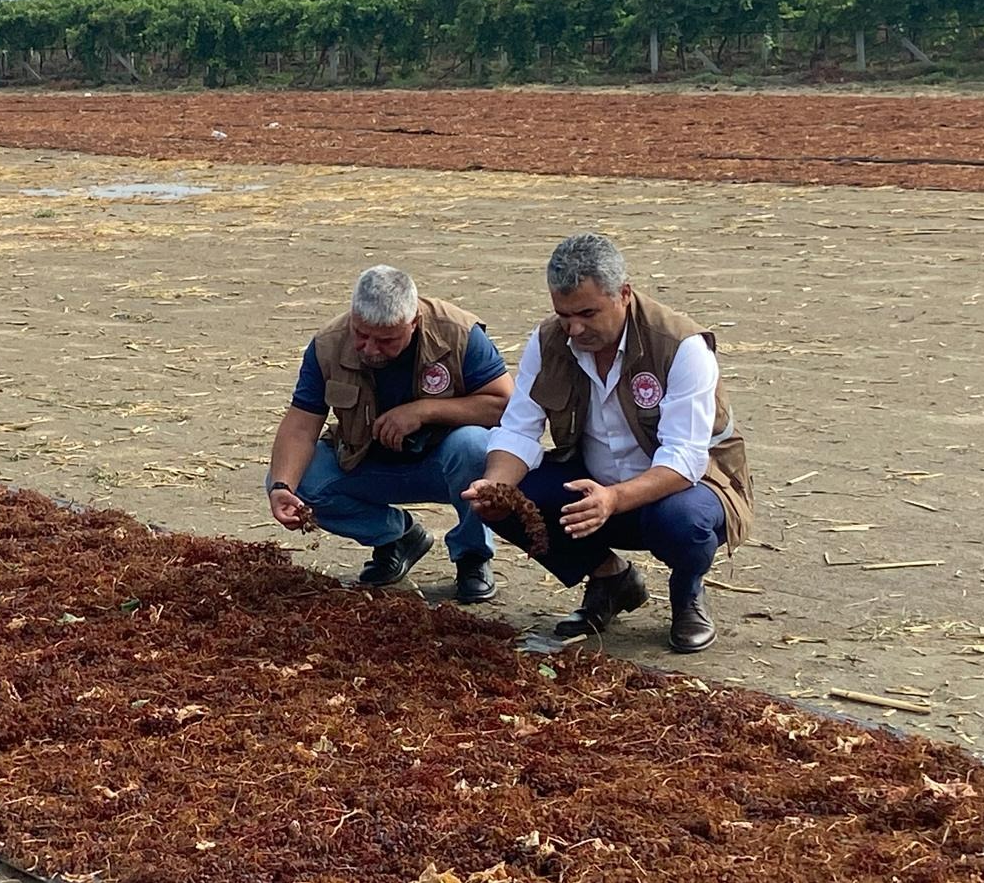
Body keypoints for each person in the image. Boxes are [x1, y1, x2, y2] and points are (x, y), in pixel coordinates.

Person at [462, 233, 752, 652]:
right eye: (564, 315)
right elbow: (518, 429)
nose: (574, 328)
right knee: (502, 494)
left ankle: (687, 593)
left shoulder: (682, 346)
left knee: (682, 520)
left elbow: (686, 458)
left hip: (685, 490)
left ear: (624, 295)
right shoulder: (548, 342)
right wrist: (496, 483)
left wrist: (614, 498)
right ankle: (610, 578)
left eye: (587, 313)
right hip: (594, 486)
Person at [267, 265, 513, 601]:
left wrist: (424, 411)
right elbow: (300, 425)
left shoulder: (458, 332)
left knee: (475, 446)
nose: (369, 349)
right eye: (361, 335)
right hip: (366, 461)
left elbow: (504, 405)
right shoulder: (328, 344)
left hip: (445, 464)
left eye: (386, 340)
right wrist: (282, 486)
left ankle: (473, 556)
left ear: (413, 323)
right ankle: (396, 538)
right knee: (294, 478)